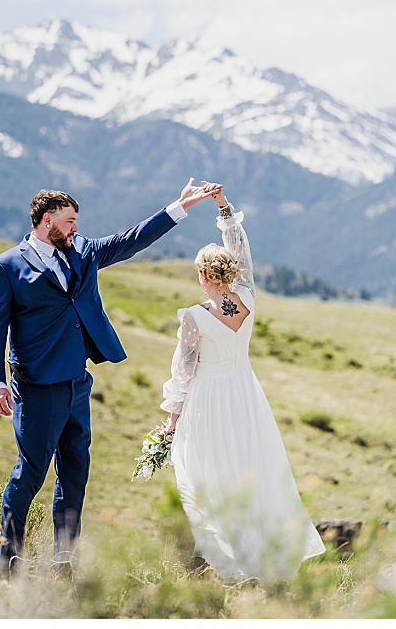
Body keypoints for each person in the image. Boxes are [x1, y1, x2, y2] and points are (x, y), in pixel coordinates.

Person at [0, 179, 222, 579]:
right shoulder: (7, 266)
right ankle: (6, 559)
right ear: (46, 221)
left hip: (77, 381)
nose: (76, 227)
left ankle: (65, 559)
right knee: (31, 471)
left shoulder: (84, 251)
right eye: (70, 221)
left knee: (76, 470)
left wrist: (178, 207)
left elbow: (132, 239)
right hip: (37, 386)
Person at [160, 191, 325, 582]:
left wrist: (171, 420)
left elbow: (183, 373)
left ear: (203, 275)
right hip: (245, 394)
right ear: (230, 273)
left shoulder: (193, 318)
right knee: (251, 466)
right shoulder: (247, 298)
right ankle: (261, 554)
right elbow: (243, 254)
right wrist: (225, 208)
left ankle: (229, 561)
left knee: (205, 473)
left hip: (207, 400)